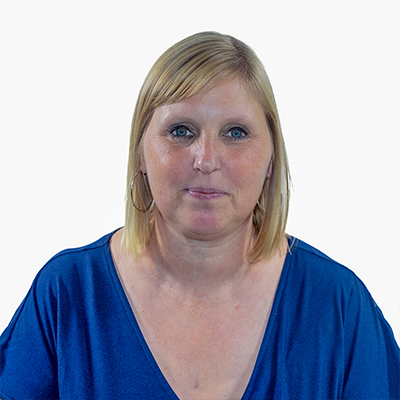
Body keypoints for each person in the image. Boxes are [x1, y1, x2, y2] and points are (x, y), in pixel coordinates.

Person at [0, 31, 399, 400]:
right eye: (181, 131)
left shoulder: (339, 307)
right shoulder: (66, 296)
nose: (206, 160)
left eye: (236, 133)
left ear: (271, 158)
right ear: (140, 154)